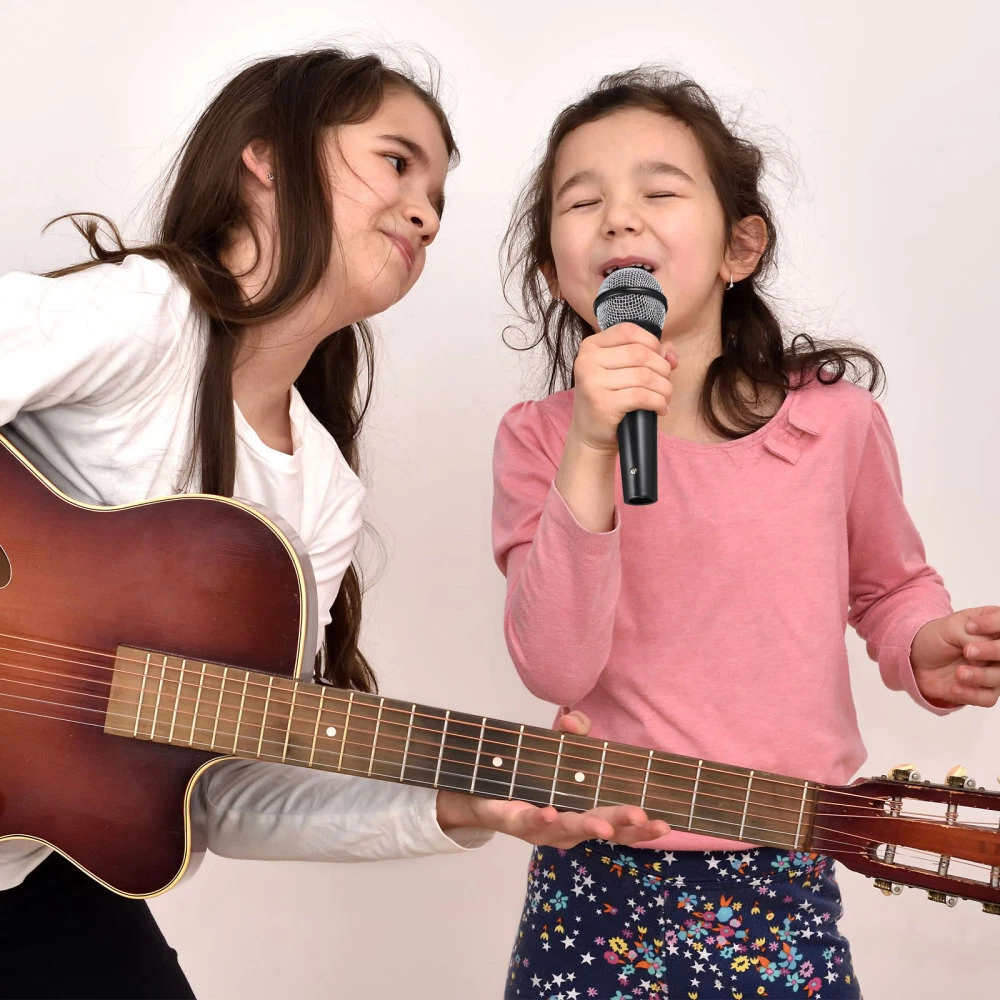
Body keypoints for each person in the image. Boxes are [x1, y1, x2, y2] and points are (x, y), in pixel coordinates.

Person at [0, 49, 669, 1000]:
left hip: (25, 878)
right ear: (266, 158)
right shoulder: (145, 316)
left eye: (437, 197)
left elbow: (221, 790)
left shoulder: (318, 494)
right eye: (397, 162)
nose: (425, 211)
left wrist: (466, 801)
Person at [493, 67, 1000, 999]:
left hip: (784, 873)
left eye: (658, 191)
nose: (619, 218)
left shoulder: (835, 424)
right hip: (593, 882)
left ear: (740, 246)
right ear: (556, 273)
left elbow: (890, 587)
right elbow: (556, 666)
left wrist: (923, 643)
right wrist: (593, 447)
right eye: (583, 201)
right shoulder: (540, 440)